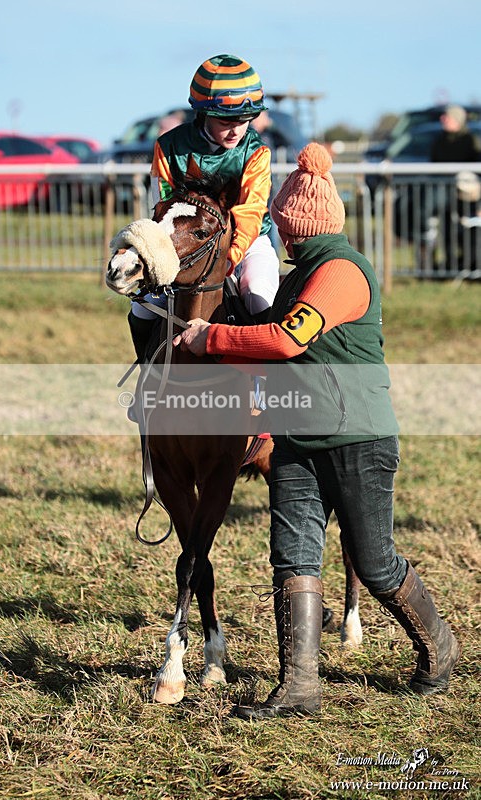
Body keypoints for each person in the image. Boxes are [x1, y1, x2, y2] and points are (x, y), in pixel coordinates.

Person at [174, 142, 460, 720]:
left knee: (374, 562)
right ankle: (299, 688)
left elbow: (285, 339)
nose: (277, 234)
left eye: (280, 224)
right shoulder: (299, 273)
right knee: (294, 557)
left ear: (296, 225)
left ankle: (441, 648)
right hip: (299, 440)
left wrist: (213, 338)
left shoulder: (340, 274)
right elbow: (267, 339)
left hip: (356, 437)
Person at [128, 54, 280, 358]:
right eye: (227, 120)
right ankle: (147, 375)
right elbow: (164, 207)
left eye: (245, 119)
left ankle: (264, 382)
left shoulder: (257, 151)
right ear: (203, 113)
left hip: (247, 242)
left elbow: (249, 212)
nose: (237, 130)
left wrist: (229, 257)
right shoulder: (168, 146)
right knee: (143, 307)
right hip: (185, 243)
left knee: (258, 294)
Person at [430, 104, 481, 273]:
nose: (442, 119)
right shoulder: (439, 140)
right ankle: (451, 264)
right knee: (446, 229)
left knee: (470, 230)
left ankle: (471, 263)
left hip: (467, 196)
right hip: (445, 195)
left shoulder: (470, 140)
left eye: (447, 117)